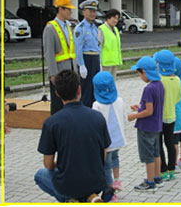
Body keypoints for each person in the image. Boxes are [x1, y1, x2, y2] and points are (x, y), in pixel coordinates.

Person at [35, 70, 113, 203]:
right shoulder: (98, 117)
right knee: (81, 183)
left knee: (40, 175)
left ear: (57, 93)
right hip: (96, 181)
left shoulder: (52, 123)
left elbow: (48, 165)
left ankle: (71, 200)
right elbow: (103, 156)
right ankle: (90, 197)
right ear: (79, 89)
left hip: (68, 183)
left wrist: (63, 165)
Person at [128, 56, 164, 191]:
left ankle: (149, 182)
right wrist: (139, 107)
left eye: (139, 73)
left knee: (148, 155)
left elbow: (149, 111)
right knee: (156, 153)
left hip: (146, 126)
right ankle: (157, 177)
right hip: (156, 125)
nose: (139, 77)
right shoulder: (159, 85)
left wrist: (134, 116)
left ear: (144, 72)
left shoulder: (148, 88)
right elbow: (153, 106)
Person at [92, 71, 127, 197]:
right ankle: (117, 180)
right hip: (117, 137)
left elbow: (94, 124)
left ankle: (110, 192)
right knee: (115, 158)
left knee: (106, 165)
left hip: (105, 141)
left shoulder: (96, 105)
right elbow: (124, 117)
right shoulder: (120, 100)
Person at [42, 0, 78, 115]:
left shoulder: (68, 26)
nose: (70, 12)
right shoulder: (50, 28)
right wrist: (53, 73)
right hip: (59, 72)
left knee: (71, 102)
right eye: (68, 9)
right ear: (61, 9)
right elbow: (49, 52)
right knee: (58, 104)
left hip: (71, 70)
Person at [153, 50, 181, 181]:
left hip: (159, 118)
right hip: (172, 116)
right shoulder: (177, 80)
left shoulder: (159, 81)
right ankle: (172, 169)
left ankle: (162, 169)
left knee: (159, 144)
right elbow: (178, 98)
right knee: (170, 143)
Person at [74, 0, 101, 107]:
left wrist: (99, 62)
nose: (92, 13)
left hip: (95, 59)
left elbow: (97, 46)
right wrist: (81, 65)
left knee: (95, 88)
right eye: (90, 10)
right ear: (83, 12)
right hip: (86, 59)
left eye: (94, 11)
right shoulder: (80, 28)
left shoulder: (94, 27)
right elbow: (78, 48)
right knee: (86, 90)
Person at [98, 9, 122, 79]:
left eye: (117, 18)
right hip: (105, 64)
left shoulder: (116, 29)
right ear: (108, 18)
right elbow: (99, 47)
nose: (115, 20)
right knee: (105, 83)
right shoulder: (102, 29)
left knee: (112, 83)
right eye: (114, 18)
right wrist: (99, 62)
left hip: (114, 62)